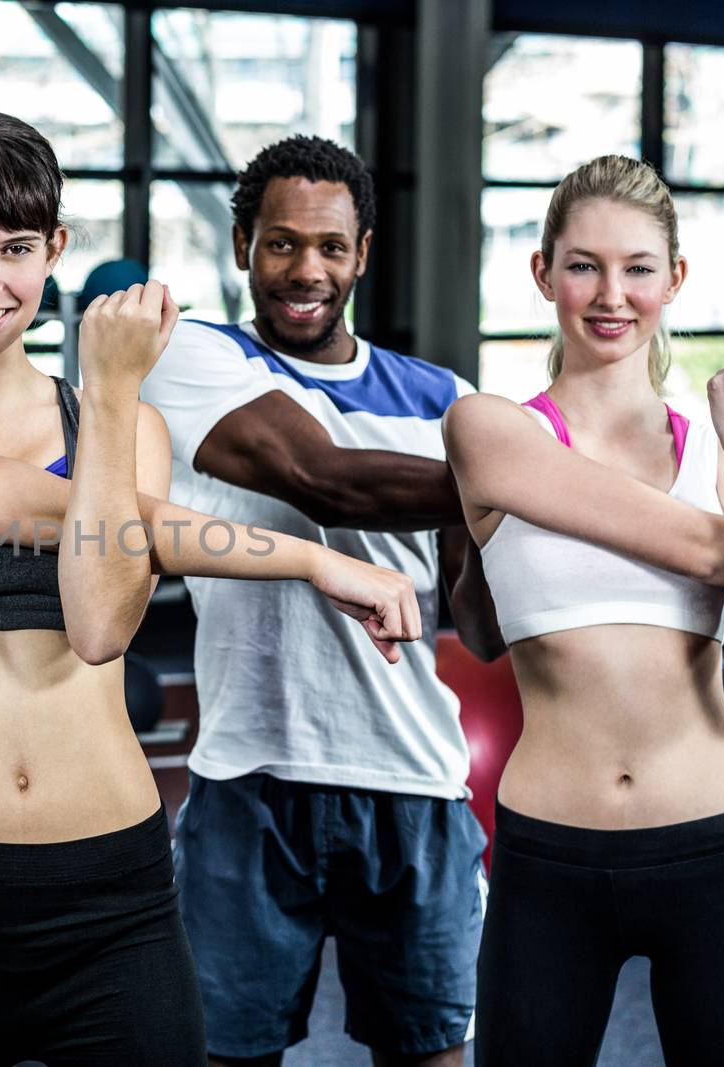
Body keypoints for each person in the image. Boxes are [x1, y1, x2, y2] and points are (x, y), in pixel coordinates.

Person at [0, 110, 423, 1067]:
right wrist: (308, 556)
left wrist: (115, 397)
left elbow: (98, 624)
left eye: (14, 248)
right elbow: (46, 512)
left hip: (112, 901)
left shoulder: (128, 430)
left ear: (55, 251)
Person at [445, 154, 724, 1066]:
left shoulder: (722, 455)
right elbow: (696, 546)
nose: (610, 294)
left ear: (674, 279)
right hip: (550, 852)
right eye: (583, 265)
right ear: (543, 274)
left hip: (718, 844)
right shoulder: (490, 430)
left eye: (638, 268)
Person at [139, 135, 499, 1067]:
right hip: (249, 775)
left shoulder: (443, 400)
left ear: (363, 253)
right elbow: (324, 479)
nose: (307, 271)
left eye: (331, 247)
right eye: (282, 243)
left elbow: (481, 625)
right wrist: (534, 476)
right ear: (241, 246)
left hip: (413, 778)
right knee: (224, 1054)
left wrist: (524, 522)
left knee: (432, 1055)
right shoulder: (194, 361)